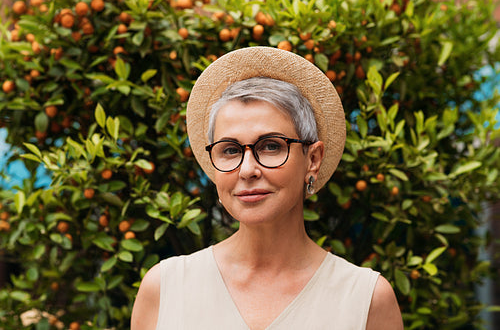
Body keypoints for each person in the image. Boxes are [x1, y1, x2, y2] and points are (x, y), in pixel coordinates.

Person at [131, 46, 403, 330]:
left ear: (312, 159)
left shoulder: (366, 300)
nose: (247, 170)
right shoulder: (164, 289)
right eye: (230, 150)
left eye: (271, 146)